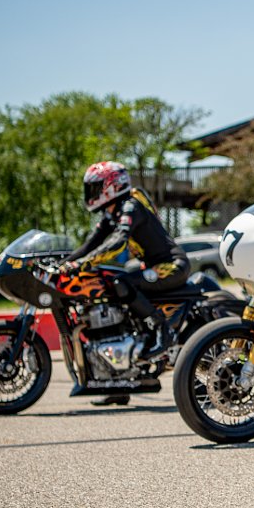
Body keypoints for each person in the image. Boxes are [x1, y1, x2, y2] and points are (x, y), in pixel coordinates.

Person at [61, 161, 190, 405]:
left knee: (120, 280)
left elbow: (119, 241)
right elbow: (89, 245)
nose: (92, 194)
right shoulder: (112, 212)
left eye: (96, 187)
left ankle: (162, 331)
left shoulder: (131, 206)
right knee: (111, 286)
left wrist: (84, 264)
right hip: (150, 268)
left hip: (173, 267)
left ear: (112, 186)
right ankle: (116, 381)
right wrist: (63, 266)